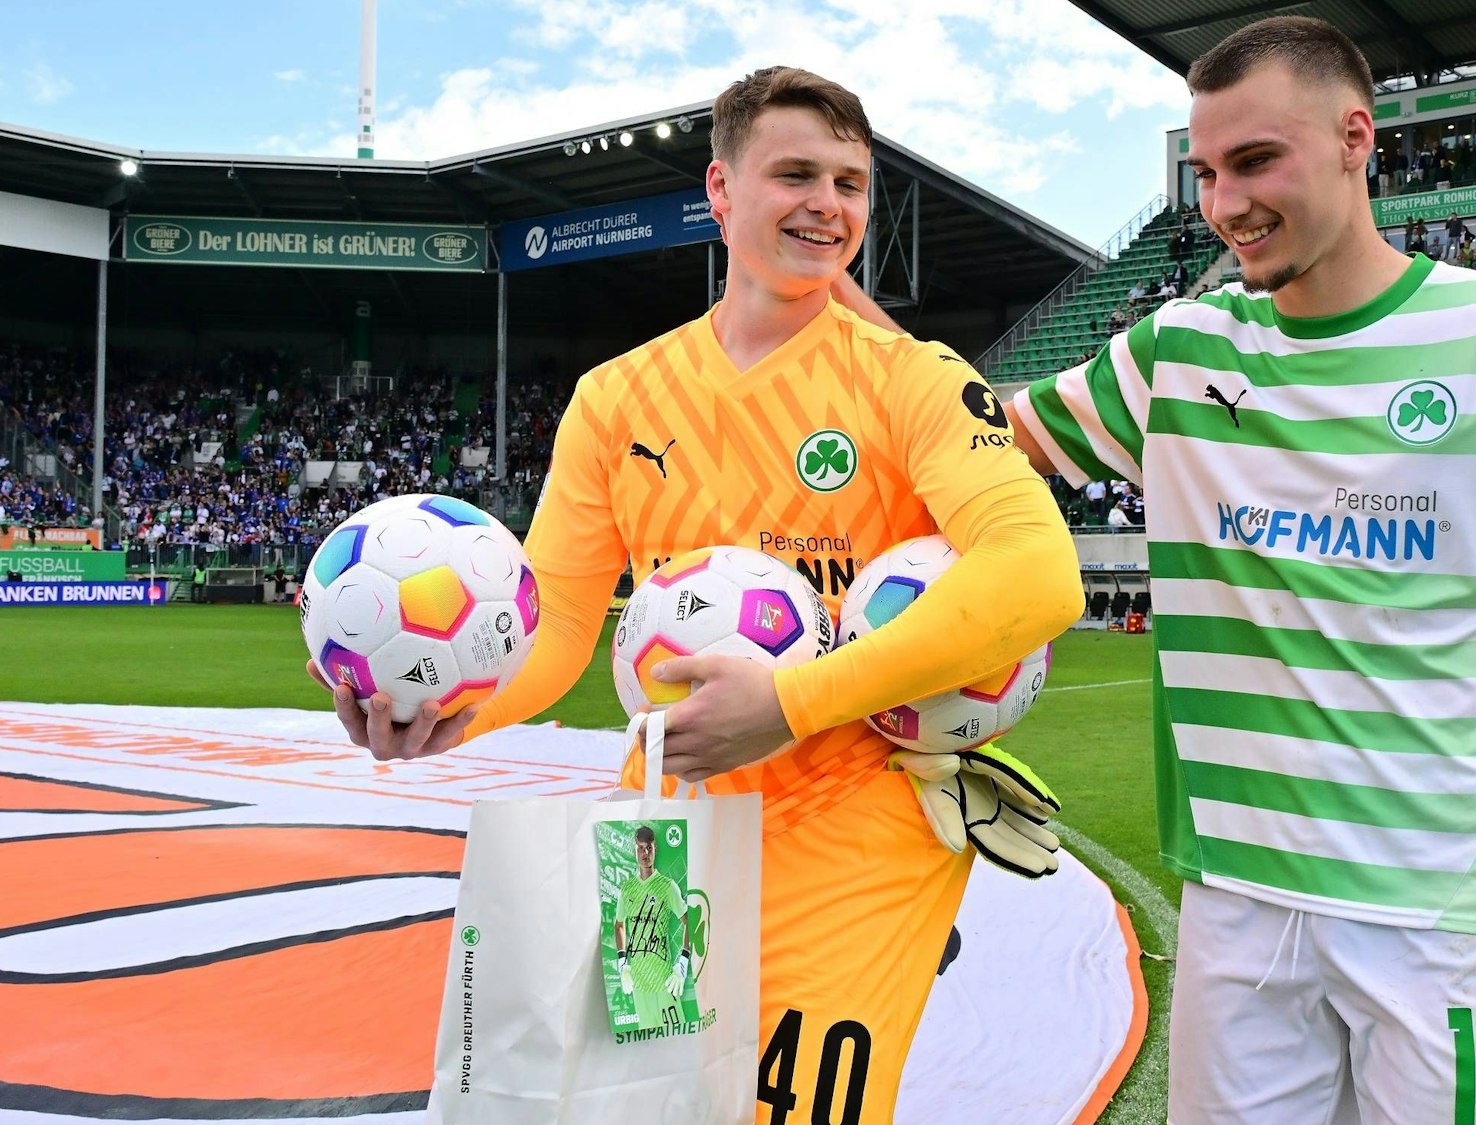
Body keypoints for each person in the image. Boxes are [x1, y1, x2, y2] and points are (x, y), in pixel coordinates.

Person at [311, 67, 1083, 1124]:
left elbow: (1036, 574)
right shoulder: (615, 397)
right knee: (654, 1108)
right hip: (661, 828)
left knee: (787, 1113)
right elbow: (559, 623)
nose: (827, 204)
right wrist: (448, 709)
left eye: (851, 183)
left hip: (858, 818)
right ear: (719, 193)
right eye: (796, 174)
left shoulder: (912, 379)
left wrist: (791, 702)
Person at [1004, 18, 1476, 1121]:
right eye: (1205, 173)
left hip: (1448, 915)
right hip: (1235, 893)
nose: (1225, 203)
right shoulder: (1175, 350)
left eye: (1256, 161)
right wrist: (803, 274)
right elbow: (975, 441)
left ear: (1352, 139)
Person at [614, 824, 695, 1028]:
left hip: (665, 982)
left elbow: (689, 922)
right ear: (635, 850)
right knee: (647, 1050)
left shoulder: (667, 886)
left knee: (677, 1041)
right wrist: (623, 964)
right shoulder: (627, 890)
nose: (645, 853)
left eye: (649, 847)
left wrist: (682, 963)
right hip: (639, 985)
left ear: (655, 849)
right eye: (640, 848)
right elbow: (619, 924)